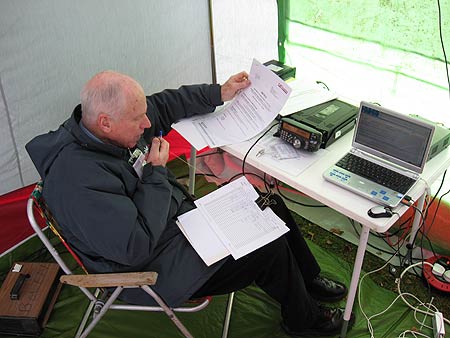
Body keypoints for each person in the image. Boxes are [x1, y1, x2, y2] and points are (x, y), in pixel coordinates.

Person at [26, 70, 354, 336]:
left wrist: (218, 93)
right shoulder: (78, 181)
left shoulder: (107, 129)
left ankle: (308, 279)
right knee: (266, 247)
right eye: (137, 120)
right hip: (152, 267)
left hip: (177, 227)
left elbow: (165, 104)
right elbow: (134, 247)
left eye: (143, 116)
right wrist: (155, 174)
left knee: (268, 202)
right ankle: (302, 319)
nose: (146, 125)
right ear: (105, 123)